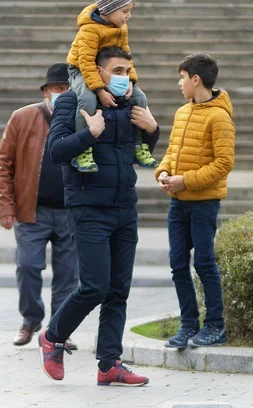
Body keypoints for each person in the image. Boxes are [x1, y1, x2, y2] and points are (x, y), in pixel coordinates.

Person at [37, 46, 160, 387]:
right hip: (88, 206)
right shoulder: (70, 102)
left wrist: (152, 129)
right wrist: (87, 134)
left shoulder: (130, 103)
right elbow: (57, 150)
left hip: (124, 206)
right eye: (118, 70)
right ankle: (53, 336)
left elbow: (139, 152)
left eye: (128, 71)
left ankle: (109, 364)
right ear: (99, 71)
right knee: (94, 286)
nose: (125, 77)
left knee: (118, 290)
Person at [0, 63, 79, 350]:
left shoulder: (82, 117)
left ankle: (59, 329)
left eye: (68, 89)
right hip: (32, 210)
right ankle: (31, 319)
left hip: (71, 211)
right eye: (58, 89)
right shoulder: (22, 117)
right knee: (27, 265)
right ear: (46, 91)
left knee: (69, 274)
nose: (63, 94)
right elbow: (3, 163)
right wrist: (6, 206)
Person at [156, 53, 235, 349]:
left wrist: (185, 180)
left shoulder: (219, 117)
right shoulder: (182, 113)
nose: (179, 83)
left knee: (203, 263)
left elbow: (224, 163)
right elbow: (172, 152)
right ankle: (188, 324)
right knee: (177, 264)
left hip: (203, 203)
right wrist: (163, 171)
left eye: (181, 77)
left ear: (196, 79)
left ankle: (215, 325)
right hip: (178, 202)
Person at [66, 0, 156, 172]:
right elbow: (86, 62)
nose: (128, 16)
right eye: (125, 11)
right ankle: (83, 150)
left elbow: (126, 54)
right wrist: (100, 90)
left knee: (140, 97)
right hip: (81, 70)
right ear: (109, 9)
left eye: (129, 11)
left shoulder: (121, 28)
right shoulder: (89, 30)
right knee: (87, 99)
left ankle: (139, 146)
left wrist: (130, 79)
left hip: (108, 69)